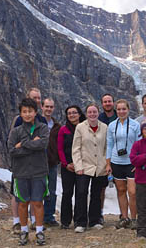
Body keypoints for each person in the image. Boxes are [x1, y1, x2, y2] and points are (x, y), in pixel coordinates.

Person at [8, 98, 49, 246]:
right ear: (20, 114)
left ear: (35, 112)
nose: (27, 114)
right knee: (23, 203)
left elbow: (43, 144)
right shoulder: (16, 131)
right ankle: (24, 230)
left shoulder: (43, 128)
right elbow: (12, 150)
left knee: (38, 202)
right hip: (21, 173)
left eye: (30, 111)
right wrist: (33, 144)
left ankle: (39, 231)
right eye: (24, 112)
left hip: (39, 172)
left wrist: (23, 145)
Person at [72, 103, 108, 232]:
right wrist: (78, 166)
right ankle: (80, 222)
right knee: (81, 193)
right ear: (86, 114)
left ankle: (94, 220)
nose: (92, 114)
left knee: (96, 194)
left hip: (99, 166)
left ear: (98, 113)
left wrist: (105, 163)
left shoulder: (104, 127)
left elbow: (106, 147)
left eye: (94, 112)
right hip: (84, 165)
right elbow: (76, 148)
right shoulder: (80, 127)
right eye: (90, 112)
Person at [106, 99, 141, 229]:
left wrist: (138, 163)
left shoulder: (135, 125)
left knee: (132, 192)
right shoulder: (111, 125)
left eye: (124, 109)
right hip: (116, 162)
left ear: (128, 109)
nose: (121, 111)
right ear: (116, 110)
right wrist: (108, 163)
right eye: (119, 109)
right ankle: (124, 218)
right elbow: (109, 144)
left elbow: (139, 144)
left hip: (131, 162)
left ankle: (134, 219)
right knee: (121, 190)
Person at [57, 105, 87, 229]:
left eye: (74, 113)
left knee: (81, 192)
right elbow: (60, 149)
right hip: (67, 167)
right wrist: (66, 164)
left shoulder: (86, 129)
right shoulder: (63, 130)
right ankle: (65, 221)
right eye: (69, 113)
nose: (72, 115)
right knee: (67, 193)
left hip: (83, 166)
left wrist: (81, 163)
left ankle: (80, 222)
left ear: (79, 114)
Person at [97, 93, 117, 223]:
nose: (107, 103)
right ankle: (99, 214)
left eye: (109, 101)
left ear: (113, 103)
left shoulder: (120, 115)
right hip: (103, 156)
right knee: (101, 187)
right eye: (105, 102)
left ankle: (124, 215)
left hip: (120, 156)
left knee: (123, 186)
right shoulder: (98, 118)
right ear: (102, 104)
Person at [42, 98, 61, 227]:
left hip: (52, 163)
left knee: (52, 191)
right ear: (42, 107)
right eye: (46, 106)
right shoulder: (36, 123)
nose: (49, 109)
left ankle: (49, 217)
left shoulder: (57, 126)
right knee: (38, 191)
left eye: (51, 107)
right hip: (38, 163)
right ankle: (36, 218)